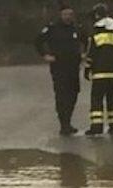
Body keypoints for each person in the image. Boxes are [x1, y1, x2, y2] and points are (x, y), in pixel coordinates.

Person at [35, 3, 83, 136]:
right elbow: (38, 41)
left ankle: (68, 120)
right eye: (65, 14)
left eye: (70, 14)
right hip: (59, 67)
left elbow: (87, 40)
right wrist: (45, 55)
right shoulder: (52, 28)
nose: (68, 17)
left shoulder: (76, 28)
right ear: (61, 15)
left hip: (73, 67)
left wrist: (84, 54)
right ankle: (64, 124)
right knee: (62, 95)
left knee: (73, 93)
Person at [84, 3, 113, 136]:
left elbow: (91, 55)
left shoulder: (96, 37)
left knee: (97, 100)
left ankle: (97, 126)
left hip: (99, 74)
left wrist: (87, 69)